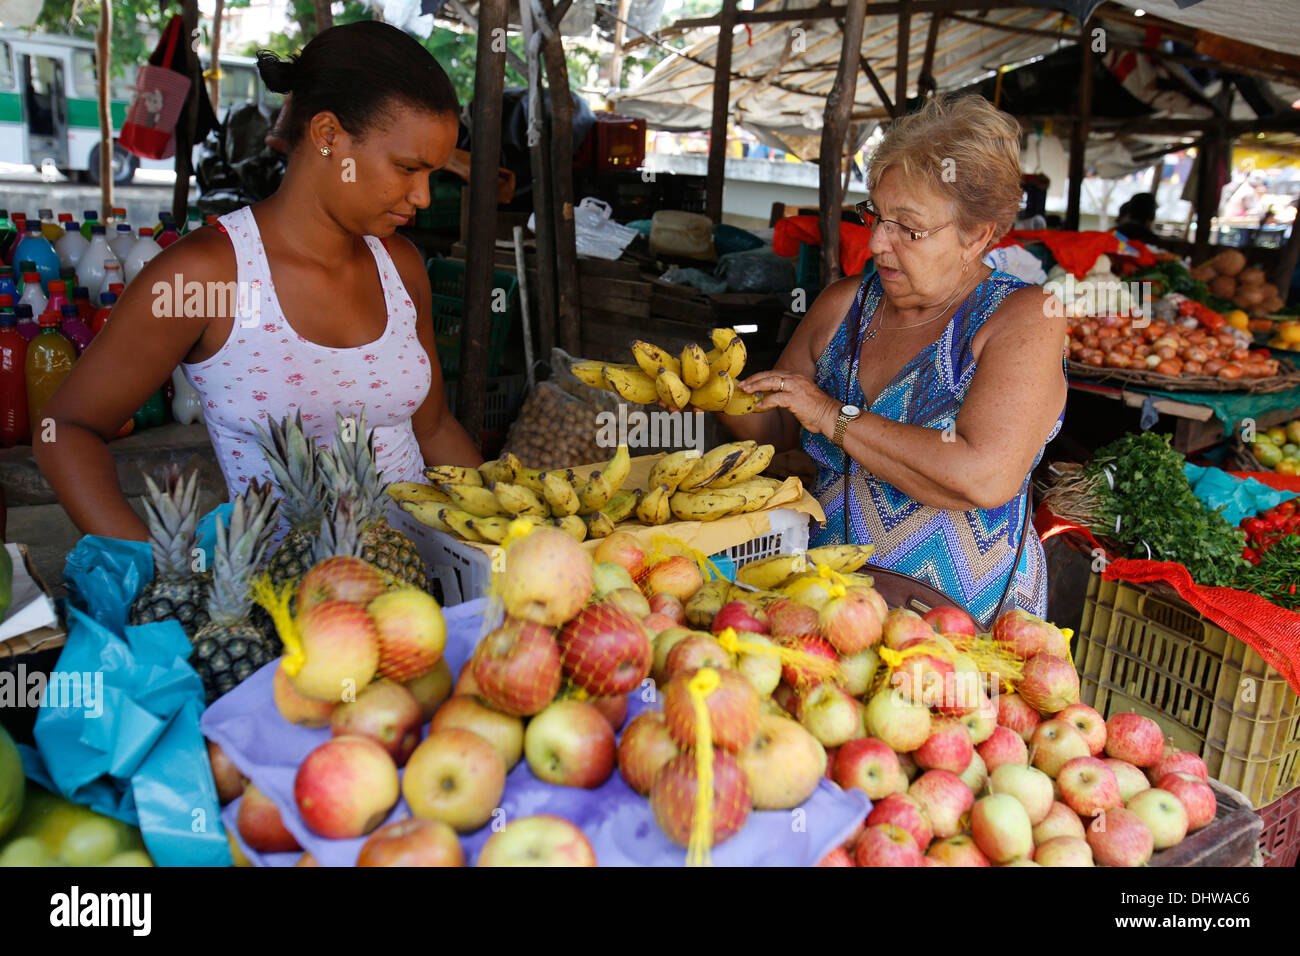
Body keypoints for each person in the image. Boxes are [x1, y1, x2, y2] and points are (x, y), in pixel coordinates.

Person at [34, 21, 482, 542]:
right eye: (407, 168)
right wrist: (155, 573)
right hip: (279, 605)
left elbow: (432, 428)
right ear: (328, 136)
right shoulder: (207, 274)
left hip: (426, 593)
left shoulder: (400, 267)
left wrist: (510, 530)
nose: (423, 196)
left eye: (434, 174)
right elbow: (64, 429)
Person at [724, 95, 1067, 625]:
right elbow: (777, 434)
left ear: (975, 235)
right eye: (876, 217)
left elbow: (982, 476)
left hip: (958, 620)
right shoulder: (844, 305)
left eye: (908, 228)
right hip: (823, 600)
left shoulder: (1024, 319)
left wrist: (830, 415)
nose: (878, 243)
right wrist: (720, 394)